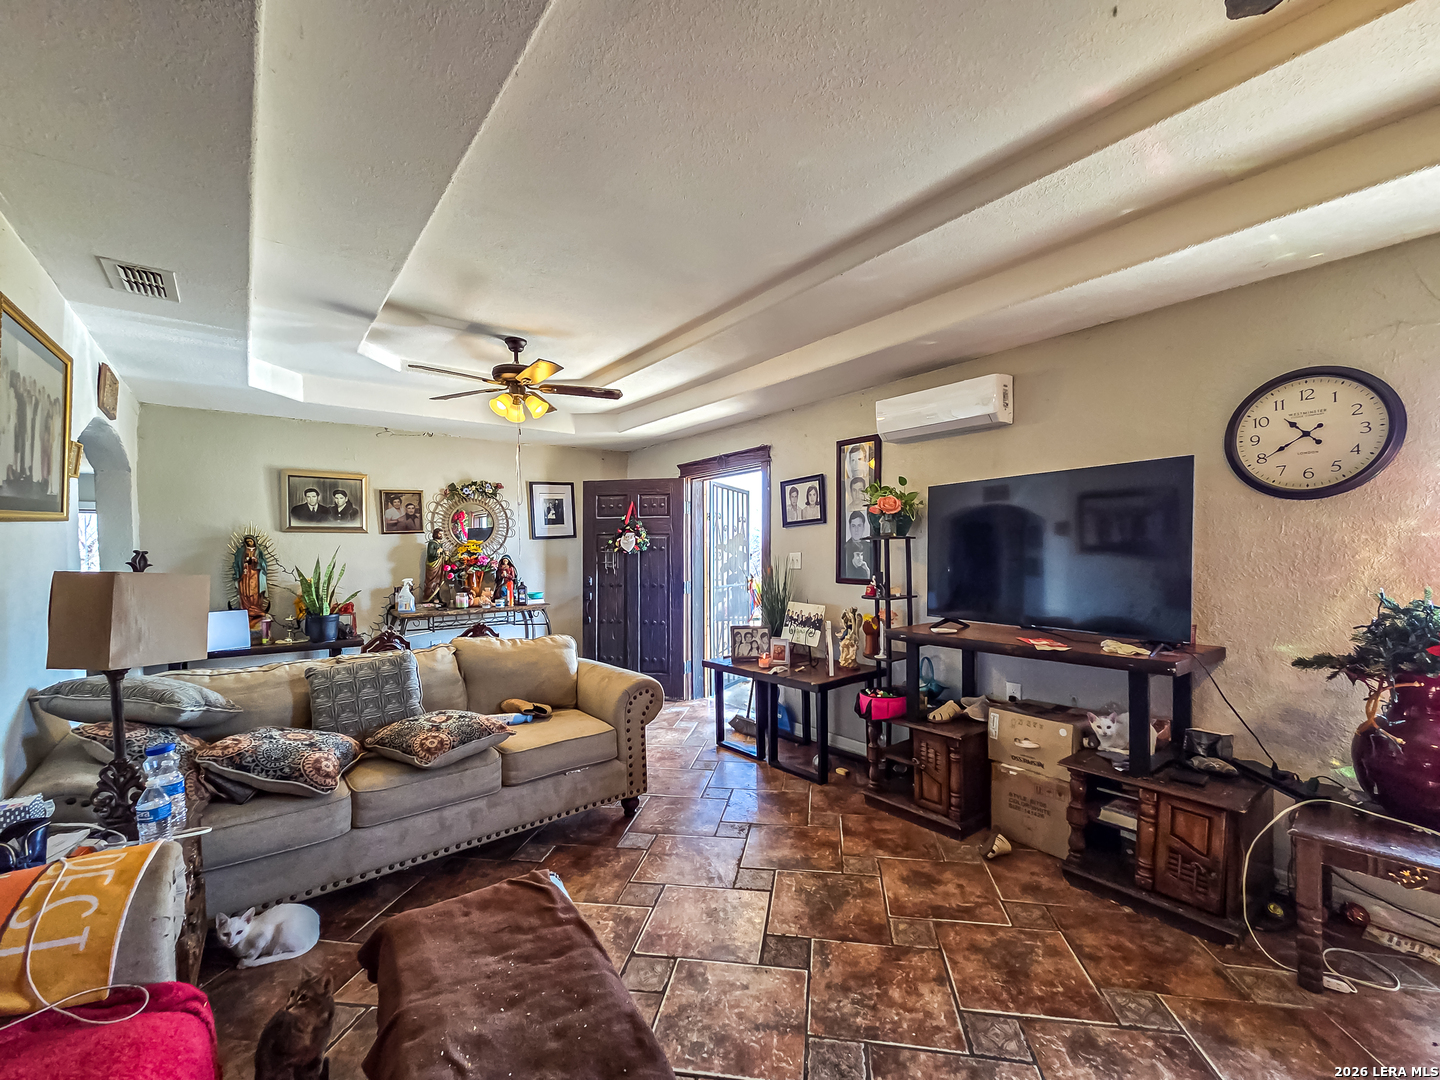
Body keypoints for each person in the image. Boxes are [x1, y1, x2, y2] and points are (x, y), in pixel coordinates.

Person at [842, 510, 872, 579]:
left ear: (863, 527)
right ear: (849, 527)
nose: (856, 530)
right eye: (853, 526)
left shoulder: (870, 547)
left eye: (859, 525)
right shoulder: (845, 547)